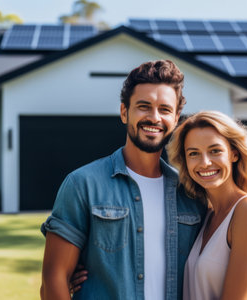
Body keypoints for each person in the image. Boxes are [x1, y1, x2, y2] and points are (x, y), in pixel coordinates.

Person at [40, 60, 205, 300]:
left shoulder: (191, 191)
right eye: (144, 106)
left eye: (165, 109)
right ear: (124, 112)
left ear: (176, 118)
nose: (154, 117)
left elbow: (220, 253)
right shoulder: (82, 184)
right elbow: (53, 280)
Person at [167, 111, 247, 300]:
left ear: (234, 154)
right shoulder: (207, 214)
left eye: (215, 151)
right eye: (194, 153)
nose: (205, 163)